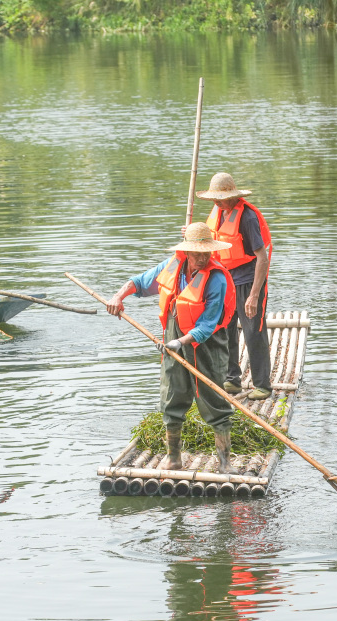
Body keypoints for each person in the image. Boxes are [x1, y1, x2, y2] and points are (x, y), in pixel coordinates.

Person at [106, 222, 238, 473]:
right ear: (186, 252)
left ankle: (224, 463)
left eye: (206, 253)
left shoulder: (217, 278)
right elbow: (139, 282)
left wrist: (180, 342)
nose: (201, 258)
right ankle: (173, 457)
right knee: (171, 396)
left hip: (206, 347)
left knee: (214, 401)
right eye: (196, 253)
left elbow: (208, 324)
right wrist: (117, 297)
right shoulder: (172, 266)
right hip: (172, 343)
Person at [196, 172, 272, 401]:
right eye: (214, 198)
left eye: (219, 198)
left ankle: (263, 385)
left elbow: (262, 258)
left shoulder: (247, 217)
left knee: (253, 332)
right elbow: (209, 244)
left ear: (232, 196)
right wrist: (191, 236)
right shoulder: (218, 212)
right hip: (225, 281)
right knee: (225, 331)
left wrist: (254, 295)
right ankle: (232, 379)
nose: (216, 202)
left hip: (248, 281)